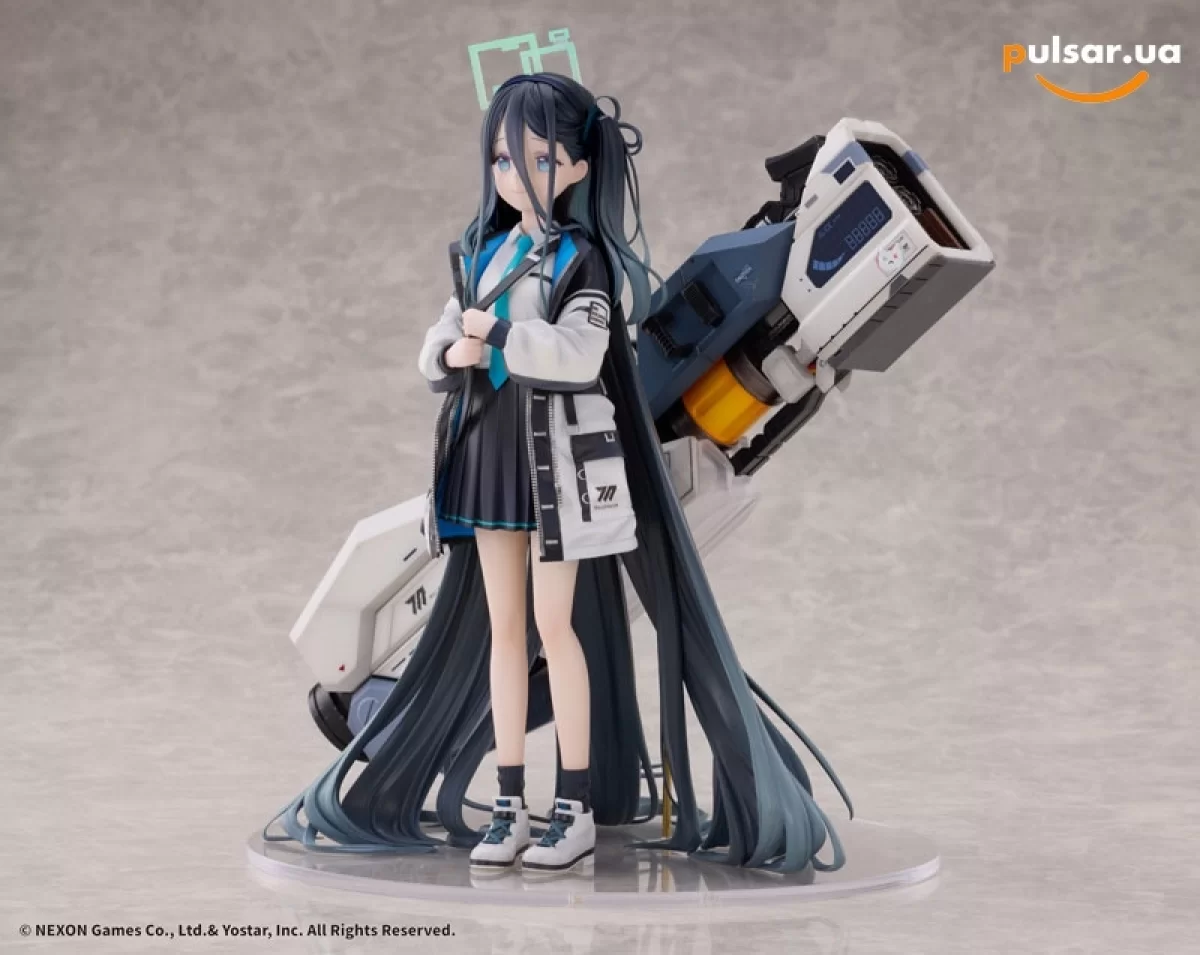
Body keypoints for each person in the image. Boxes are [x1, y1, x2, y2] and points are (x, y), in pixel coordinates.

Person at [273, 73, 851, 876]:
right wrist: (454, 350)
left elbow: (579, 356)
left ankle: (571, 807)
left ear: (579, 167)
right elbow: (435, 346)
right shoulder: (481, 252)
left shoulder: (583, 262)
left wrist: (495, 335)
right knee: (504, 632)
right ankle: (512, 803)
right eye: (504, 159)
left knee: (555, 629)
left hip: (554, 468)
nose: (518, 174)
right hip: (485, 456)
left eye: (541, 159)